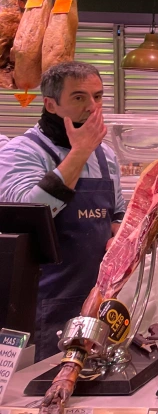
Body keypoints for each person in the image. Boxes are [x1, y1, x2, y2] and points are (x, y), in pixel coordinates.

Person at [0, 62, 124, 359]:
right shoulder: (21, 151)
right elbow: (28, 213)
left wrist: (121, 233)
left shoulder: (106, 156)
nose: (92, 107)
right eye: (79, 97)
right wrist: (79, 152)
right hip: (43, 303)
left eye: (98, 96)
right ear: (50, 104)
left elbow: (116, 211)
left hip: (95, 303)